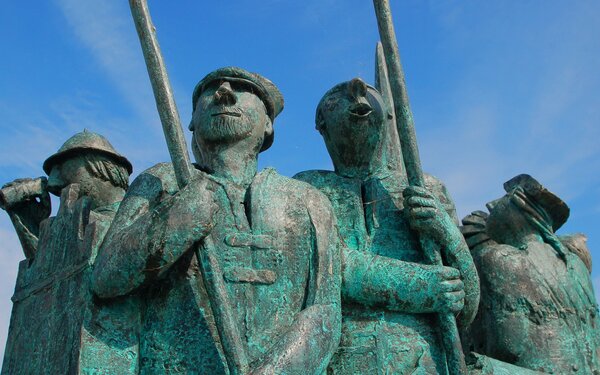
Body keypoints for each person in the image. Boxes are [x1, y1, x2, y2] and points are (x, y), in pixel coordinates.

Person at [92, 67, 342, 374]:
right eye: (211, 90)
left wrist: (276, 371)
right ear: (192, 121)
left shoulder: (309, 202)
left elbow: (324, 311)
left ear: (268, 125)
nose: (224, 92)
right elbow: (106, 278)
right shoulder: (161, 181)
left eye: (242, 88)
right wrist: (175, 220)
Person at [295, 78, 479, 374]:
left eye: (370, 93)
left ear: (389, 118)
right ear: (321, 123)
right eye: (337, 96)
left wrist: (446, 232)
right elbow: (323, 273)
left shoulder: (424, 187)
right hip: (338, 360)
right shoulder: (306, 188)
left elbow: (466, 306)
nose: (356, 90)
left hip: (422, 360)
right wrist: (421, 285)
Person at [1, 130, 137, 374]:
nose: (52, 183)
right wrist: (26, 223)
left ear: (102, 168)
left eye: (63, 168)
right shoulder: (76, 227)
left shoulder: (136, 219)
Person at [468, 174, 600, 374]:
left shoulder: (498, 259)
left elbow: (509, 345)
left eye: (503, 199)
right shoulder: (576, 265)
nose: (491, 205)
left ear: (519, 208)